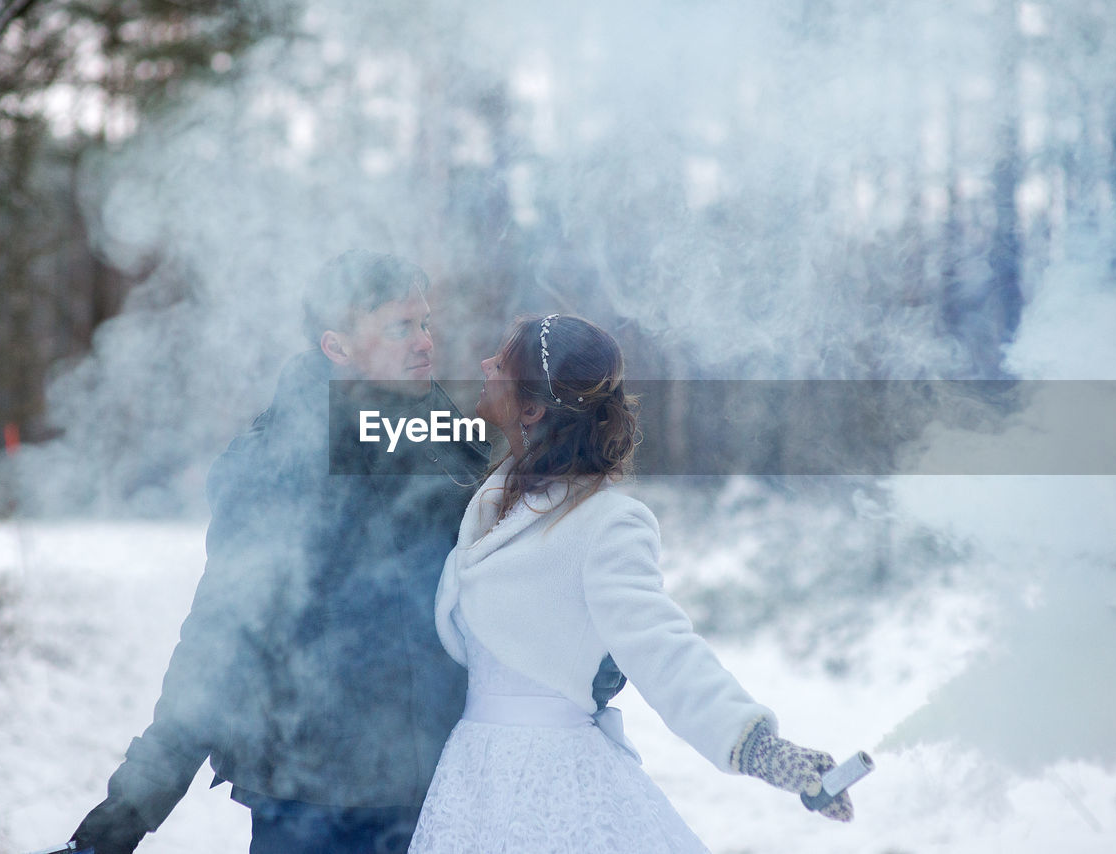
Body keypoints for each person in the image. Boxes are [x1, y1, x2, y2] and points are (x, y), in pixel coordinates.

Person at [71, 251, 498, 853]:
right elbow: (220, 641)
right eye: (400, 327)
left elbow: (501, 584)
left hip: (435, 787)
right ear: (337, 346)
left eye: (425, 322)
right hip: (312, 799)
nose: (426, 342)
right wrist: (122, 819)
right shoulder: (282, 466)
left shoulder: (444, 438)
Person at [409, 314, 855, 853]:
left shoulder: (606, 524)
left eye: (500, 363)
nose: (485, 364)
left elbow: (662, 645)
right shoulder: (494, 500)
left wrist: (757, 746)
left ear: (531, 408)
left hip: (549, 786)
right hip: (471, 778)